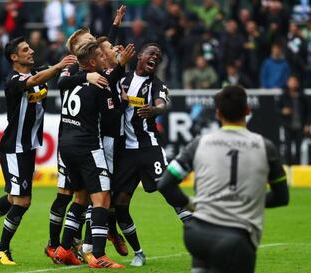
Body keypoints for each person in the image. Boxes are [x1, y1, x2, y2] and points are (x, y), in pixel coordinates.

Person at [0, 36, 76, 265]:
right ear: (14, 57)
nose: (32, 51)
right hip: (14, 148)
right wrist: (58, 66)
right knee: (22, 201)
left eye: (30, 48)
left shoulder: (39, 72)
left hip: (28, 147)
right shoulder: (13, 80)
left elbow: (48, 73)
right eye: (26, 50)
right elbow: (37, 78)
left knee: (12, 197)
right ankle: (2, 249)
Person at [158, 85, 289, 273]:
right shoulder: (265, 147)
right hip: (237, 239)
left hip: (197, 234)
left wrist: (193, 204)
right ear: (248, 111)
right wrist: (248, 200)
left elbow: (165, 184)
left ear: (218, 114)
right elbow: (281, 197)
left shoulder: (199, 143)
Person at [112, 43, 193, 267]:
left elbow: (162, 104)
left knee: (169, 191)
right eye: (152, 53)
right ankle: (138, 253)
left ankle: (201, 238)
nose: (155, 57)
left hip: (149, 148)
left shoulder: (157, 84)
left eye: (158, 55)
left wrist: (154, 110)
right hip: (126, 152)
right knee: (119, 203)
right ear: (139, 55)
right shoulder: (122, 80)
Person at [56, 41, 133, 268]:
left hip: (66, 145)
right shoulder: (98, 83)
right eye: (100, 56)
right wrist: (124, 103)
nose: (103, 59)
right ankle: (98, 255)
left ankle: (63, 248)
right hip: (88, 146)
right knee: (102, 198)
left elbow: (61, 82)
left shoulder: (72, 80)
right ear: (91, 62)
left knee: (80, 198)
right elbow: (110, 118)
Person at [279, 75, 310, 165]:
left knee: (298, 150)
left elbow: (308, 111)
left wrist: (307, 124)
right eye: (291, 81)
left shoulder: (302, 96)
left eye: (294, 81)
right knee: (287, 149)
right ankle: (288, 167)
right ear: (287, 83)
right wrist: (282, 111)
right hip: (288, 125)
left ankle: (297, 168)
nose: (293, 83)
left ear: (298, 83)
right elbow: (277, 109)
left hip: (300, 126)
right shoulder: (284, 95)